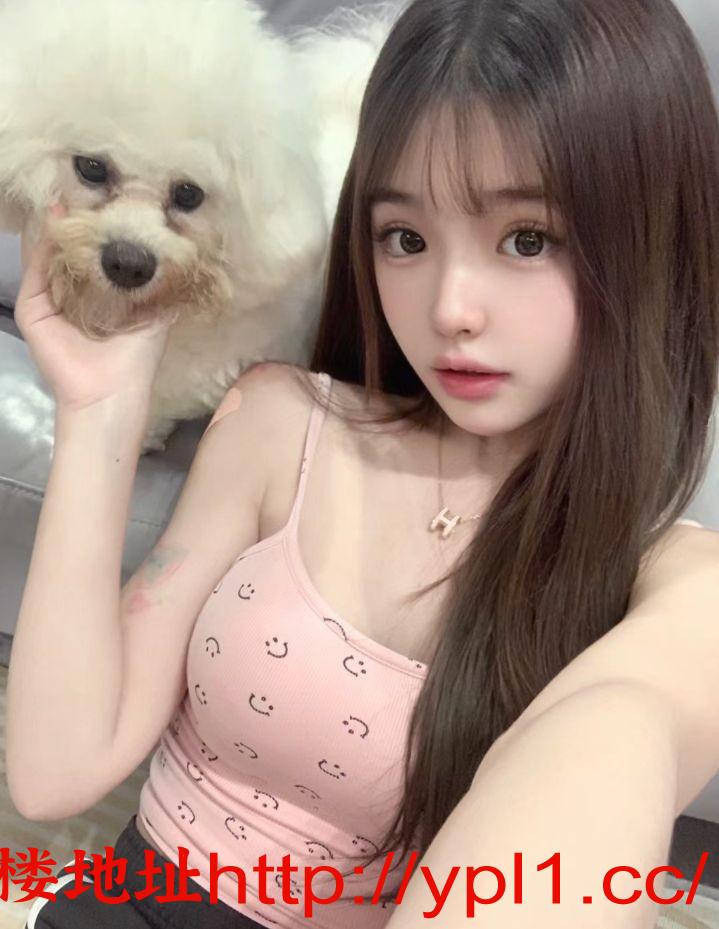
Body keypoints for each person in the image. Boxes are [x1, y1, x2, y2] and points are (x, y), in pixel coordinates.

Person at [6, 0, 719, 927]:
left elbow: (624, 727)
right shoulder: (281, 422)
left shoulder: (670, 582)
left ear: (654, 240)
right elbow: (55, 770)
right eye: (405, 238)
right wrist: (99, 407)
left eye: (526, 239)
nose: (450, 307)